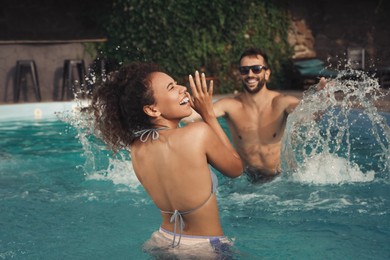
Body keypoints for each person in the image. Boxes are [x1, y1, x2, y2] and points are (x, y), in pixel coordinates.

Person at [91, 62, 243, 258]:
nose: (182, 89)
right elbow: (236, 168)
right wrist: (209, 115)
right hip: (204, 248)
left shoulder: (136, 148)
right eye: (171, 87)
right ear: (152, 110)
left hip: (161, 242)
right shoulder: (198, 133)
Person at [183, 47, 326, 183]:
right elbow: (192, 115)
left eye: (256, 69)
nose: (250, 74)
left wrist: (319, 102)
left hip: (280, 180)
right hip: (249, 181)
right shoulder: (230, 106)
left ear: (267, 73)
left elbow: (312, 116)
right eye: (244, 70)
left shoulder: (282, 102)